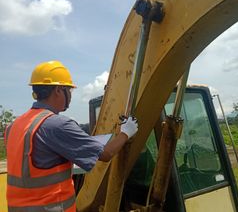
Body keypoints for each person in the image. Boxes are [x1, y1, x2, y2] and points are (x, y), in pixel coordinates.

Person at [5, 60, 138, 212]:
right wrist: (125, 132)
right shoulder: (57, 124)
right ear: (58, 90)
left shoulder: (14, 126)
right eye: (69, 90)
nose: (70, 95)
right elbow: (106, 153)